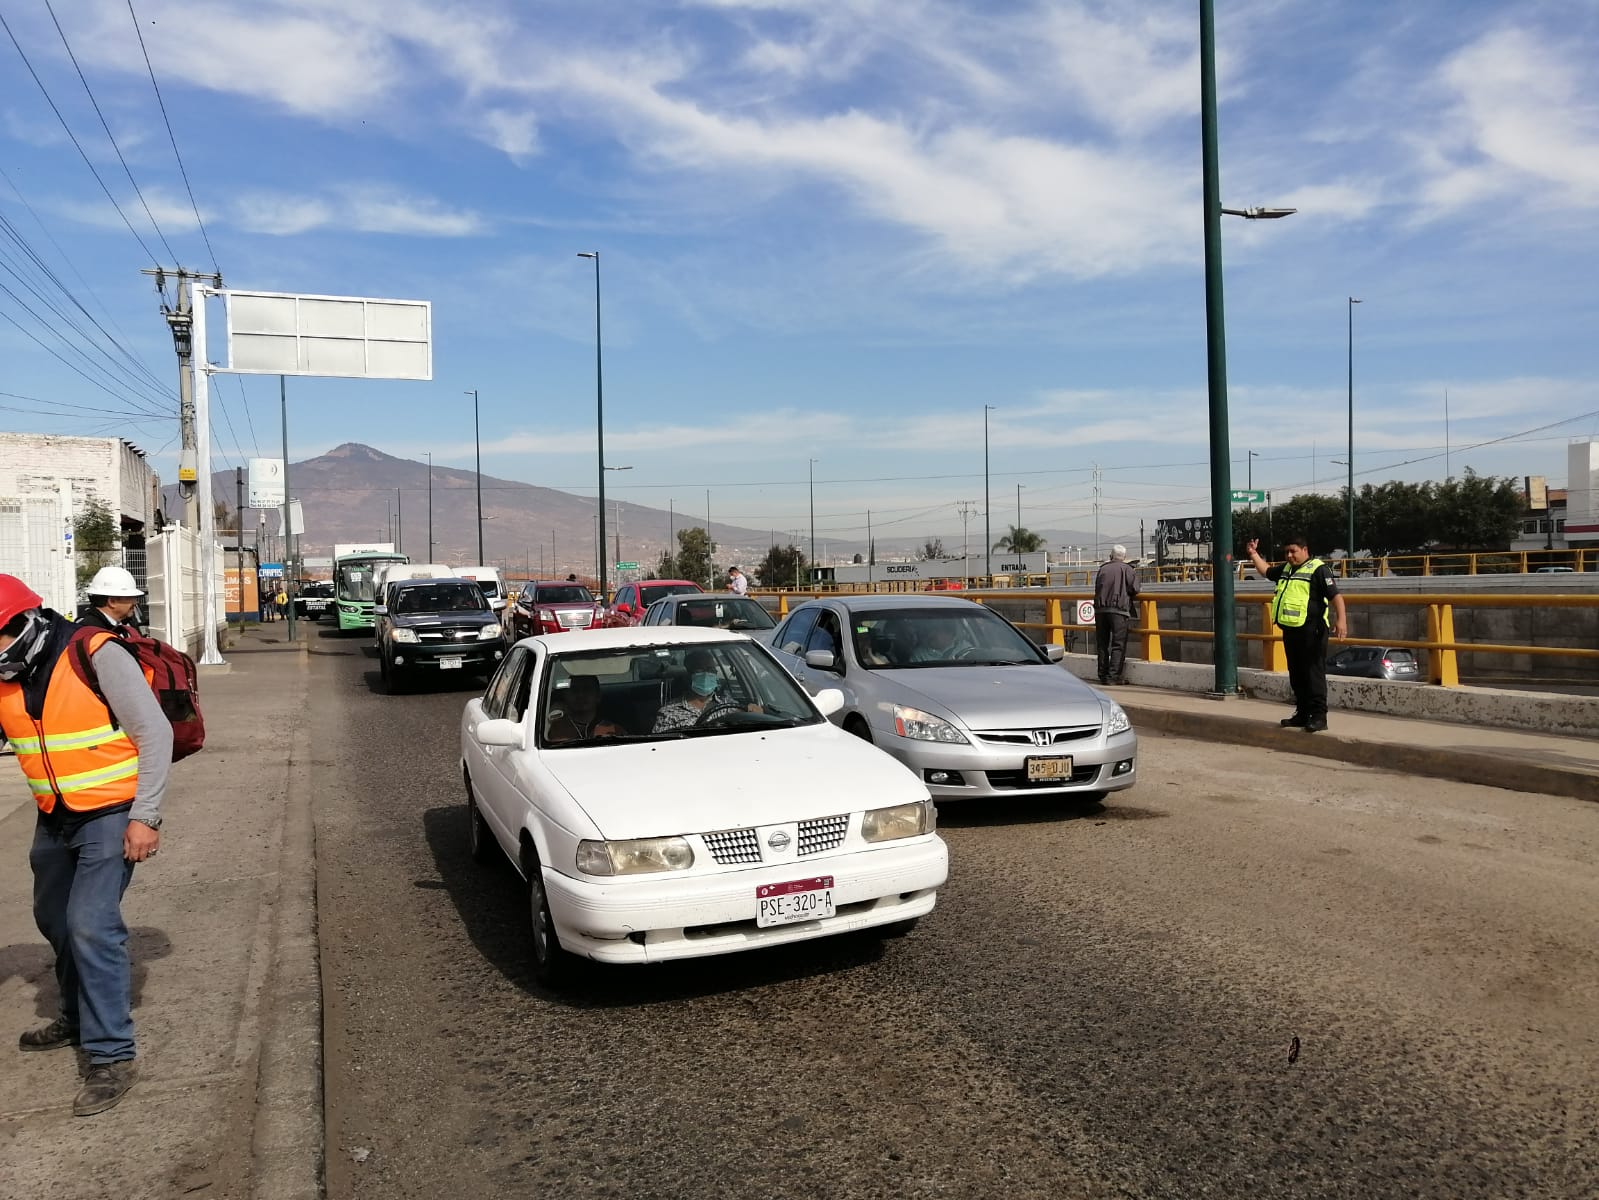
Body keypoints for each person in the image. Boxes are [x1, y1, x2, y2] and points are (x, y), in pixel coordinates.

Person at [0, 573, 172, 1116]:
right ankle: (76, 1016)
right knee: (53, 916)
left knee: (90, 924)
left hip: (111, 812)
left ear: (15, 625)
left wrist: (146, 816)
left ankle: (111, 1056)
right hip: (54, 815)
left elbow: (154, 732)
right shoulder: (7, 672)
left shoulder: (93, 652)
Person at [1245, 535, 1348, 733]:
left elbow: (1336, 596)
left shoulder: (1318, 569)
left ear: (1305, 550)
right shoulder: (1286, 569)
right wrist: (1253, 554)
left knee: (1313, 673)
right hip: (1292, 630)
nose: (1290, 555)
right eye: (1287, 552)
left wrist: (1341, 620)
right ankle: (1302, 713)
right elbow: (1266, 571)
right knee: (1297, 675)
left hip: (1313, 630)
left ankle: (1319, 716)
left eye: (1293, 551)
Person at [652, 650, 743, 731]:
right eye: (699, 670)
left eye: (711, 669)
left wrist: (752, 710)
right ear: (688, 676)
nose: (706, 674)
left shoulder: (727, 704)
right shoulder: (669, 712)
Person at [1093, 545, 1140, 685]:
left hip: (1101, 610)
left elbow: (1097, 588)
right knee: (1118, 644)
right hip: (1118, 610)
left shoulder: (1102, 569)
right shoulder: (1127, 569)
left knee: (1102, 644)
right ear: (1124, 557)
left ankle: (1102, 674)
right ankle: (1113, 677)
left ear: (1111, 555)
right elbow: (1135, 589)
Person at [544, 674, 622, 743]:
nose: (580, 695)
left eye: (587, 689)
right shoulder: (553, 729)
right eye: (574, 690)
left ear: (598, 696)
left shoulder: (614, 730)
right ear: (565, 696)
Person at [79, 565, 143, 638]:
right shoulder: (91, 633)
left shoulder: (127, 622)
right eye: (131, 598)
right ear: (112, 602)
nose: (135, 602)